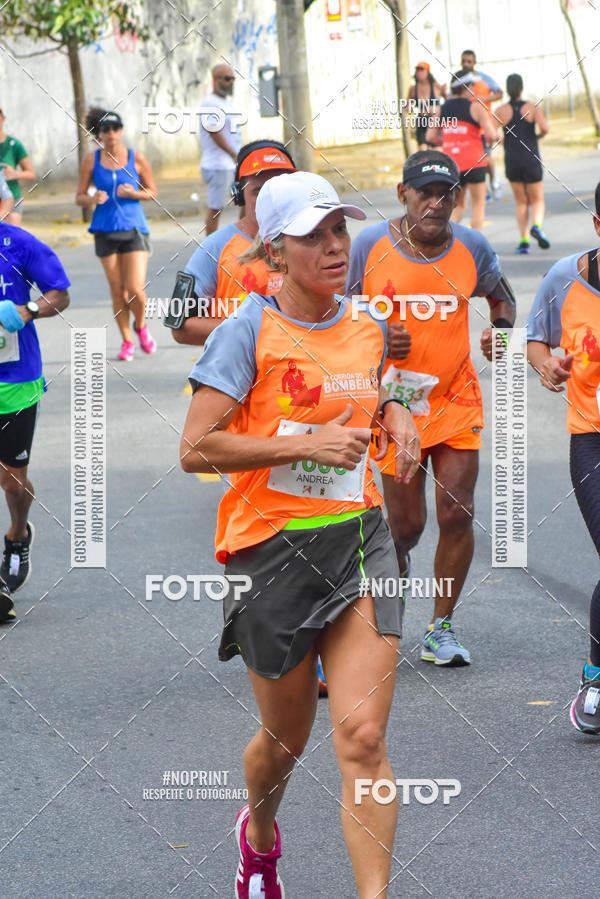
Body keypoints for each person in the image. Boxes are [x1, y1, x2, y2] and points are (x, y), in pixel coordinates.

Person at [180, 170, 420, 898]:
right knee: (284, 742)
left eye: (339, 229)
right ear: (276, 251)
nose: (333, 245)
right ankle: (257, 838)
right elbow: (196, 447)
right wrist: (302, 444)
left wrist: (397, 414)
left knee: (364, 739)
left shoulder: (368, 324)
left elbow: (374, 389)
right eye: (313, 234)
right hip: (271, 551)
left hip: (358, 538)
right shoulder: (246, 330)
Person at [347, 149, 516, 666]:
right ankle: (384, 619)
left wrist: (500, 338)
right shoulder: (369, 246)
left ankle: (441, 627)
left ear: (458, 198)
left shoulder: (473, 247)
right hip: (393, 404)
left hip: (455, 397)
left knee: (458, 511)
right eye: (425, 192)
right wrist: (376, 333)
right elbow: (339, 313)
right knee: (405, 527)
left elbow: (502, 301)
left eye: (446, 194)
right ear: (403, 195)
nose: (436, 203)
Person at [526, 185, 600, 734]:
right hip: (592, 440)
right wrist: (546, 364)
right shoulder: (564, 280)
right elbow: (534, 341)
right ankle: (596, 679)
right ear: (598, 227)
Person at [0, 221, 70, 623]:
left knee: (11, 480)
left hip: (15, 380)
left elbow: (60, 294)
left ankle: (17, 533)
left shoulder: (18, 242)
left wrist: (27, 310)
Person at [168, 140, 296, 346]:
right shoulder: (214, 247)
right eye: (258, 190)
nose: (271, 197)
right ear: (239, 195)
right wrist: (255, 328)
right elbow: (179, 326)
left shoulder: (316, 242)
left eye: (279, 186)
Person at [75, 108, 157, 362]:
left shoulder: (137, 157)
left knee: (135, 289)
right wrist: (91, 198)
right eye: (105, 130)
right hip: (104, 229)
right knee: (117, 291)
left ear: (121, 131)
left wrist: (135, 194)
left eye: (115, 129)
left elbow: (152, 191)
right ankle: (126, 341)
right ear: (100, 134)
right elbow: (79, 197)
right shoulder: (91, 160)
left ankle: (140, 326)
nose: (111, 134)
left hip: (133, 227)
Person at [426, 70, 499, 231]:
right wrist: (493, 138)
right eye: (473, 85)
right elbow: (492, 135)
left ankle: (447, 243)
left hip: (453, 165)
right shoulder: (476, 107)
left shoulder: (441, 109)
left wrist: (448, 140)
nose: (474, 89)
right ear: (467, 87)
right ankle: (475, 247)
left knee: (457, 207)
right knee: (478, 206)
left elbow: (430, 137)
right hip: (475, 161)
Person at [495, 74, 550, 254]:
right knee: (537, 199)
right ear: (522, 88)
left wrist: (501, 140)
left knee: (521, 202)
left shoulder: (501, 110)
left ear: (507, 89)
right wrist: (538, 136)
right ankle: (536, 226)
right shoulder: (532, 107)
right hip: (530, 158)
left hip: (512, 160)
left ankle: (524, 241)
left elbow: (489, 131)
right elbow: (545, 128)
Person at [199, 64, 243, 235]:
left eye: (232, 78)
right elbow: (214, 131)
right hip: (217, 165)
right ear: (215, 80)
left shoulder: (227, 103)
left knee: (245, 201)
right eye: (226, 78)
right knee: (216, 208)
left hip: (232, 163)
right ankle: (210, 249)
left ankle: (242, 241)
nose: (230, 82)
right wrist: (232, 153)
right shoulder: (210, 103)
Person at [460, 49, 503, 199]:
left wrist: (483, 99)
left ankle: (494, 181)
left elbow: (499, 93)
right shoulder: (458, 79)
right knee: (474, 159)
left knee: (486, 158)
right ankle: (483, 190)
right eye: (464, 61)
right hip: (466, 128)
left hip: (484, 126)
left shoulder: (484, 78)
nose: (466, 64)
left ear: (474, 63)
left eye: (469, 61)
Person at [0, 110, 36, 226]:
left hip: (12, 197)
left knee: (10, 239)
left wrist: (15, 174)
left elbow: (31, 174)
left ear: (3, 119)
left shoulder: (14, 145)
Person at [407, 61, 445, 150]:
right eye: (418, 70)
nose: (419, 73)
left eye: (422, 70)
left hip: (434, 120)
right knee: (423, 150)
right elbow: (407, 106)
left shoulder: (435, 86)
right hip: (422, 121)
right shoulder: (413, 89)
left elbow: (448, 99)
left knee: (437, 150)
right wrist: (409, 108)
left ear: (427, 72)